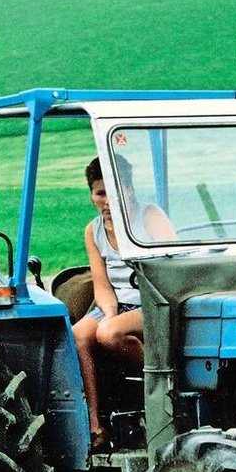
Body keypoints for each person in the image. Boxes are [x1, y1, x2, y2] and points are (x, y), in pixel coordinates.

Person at [73, 157, 174, 451]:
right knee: (79, 335)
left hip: (152, 302)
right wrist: (109, 314)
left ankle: (167, 387)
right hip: (117, 306)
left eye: (114, 192)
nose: (106, 201)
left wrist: (110, 324)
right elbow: (103, 285)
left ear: (129, 189)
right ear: (92, 194)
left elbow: (171, 268)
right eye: (100, 193)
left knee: (109, 334)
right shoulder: (93, 231)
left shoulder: (149, 216)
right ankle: (95, 426)